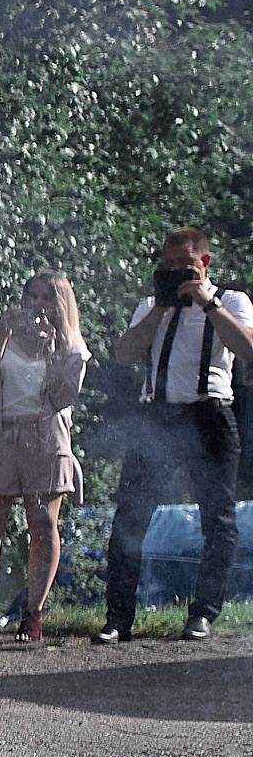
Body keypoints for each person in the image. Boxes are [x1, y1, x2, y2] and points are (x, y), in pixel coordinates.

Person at [96, 227, 253, 644]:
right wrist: (162, 309)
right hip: (157, 417)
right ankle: (118, 618)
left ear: (205, 263)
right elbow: (126, 354)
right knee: (130, 517)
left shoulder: (232, 300)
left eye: (183, 265)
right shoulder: (150, 305)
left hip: (210, 416)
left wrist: (208, 303)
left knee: (217, 520)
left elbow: (250, 350)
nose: (175, 272)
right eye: (167, 266)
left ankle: (202, 613)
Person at [0, 272, 89, 644]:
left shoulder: (72, 347)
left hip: (45, 440)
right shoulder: (9, 339)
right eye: (31, 297)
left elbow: (64, 397)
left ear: (61, 304)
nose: (37, 305)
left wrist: (51, 352)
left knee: (42, 526)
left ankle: (33, 614)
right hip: (1, 437)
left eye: (46, 298)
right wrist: (2, 334)